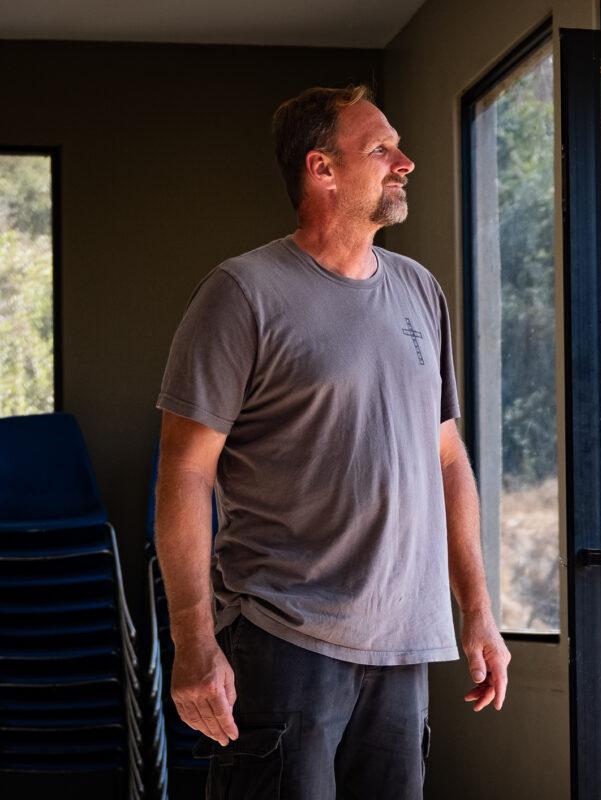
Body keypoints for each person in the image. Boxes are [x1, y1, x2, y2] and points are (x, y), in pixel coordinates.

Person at [154, 84, 510, 799]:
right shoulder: (242, 293)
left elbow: (447, 459)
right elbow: (185, 474)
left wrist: (478, 611)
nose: (405, 163)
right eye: (381, 149)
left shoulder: (418, 290)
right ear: (323, 169)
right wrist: (193, 644)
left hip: (404, 643)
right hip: (285, 640)